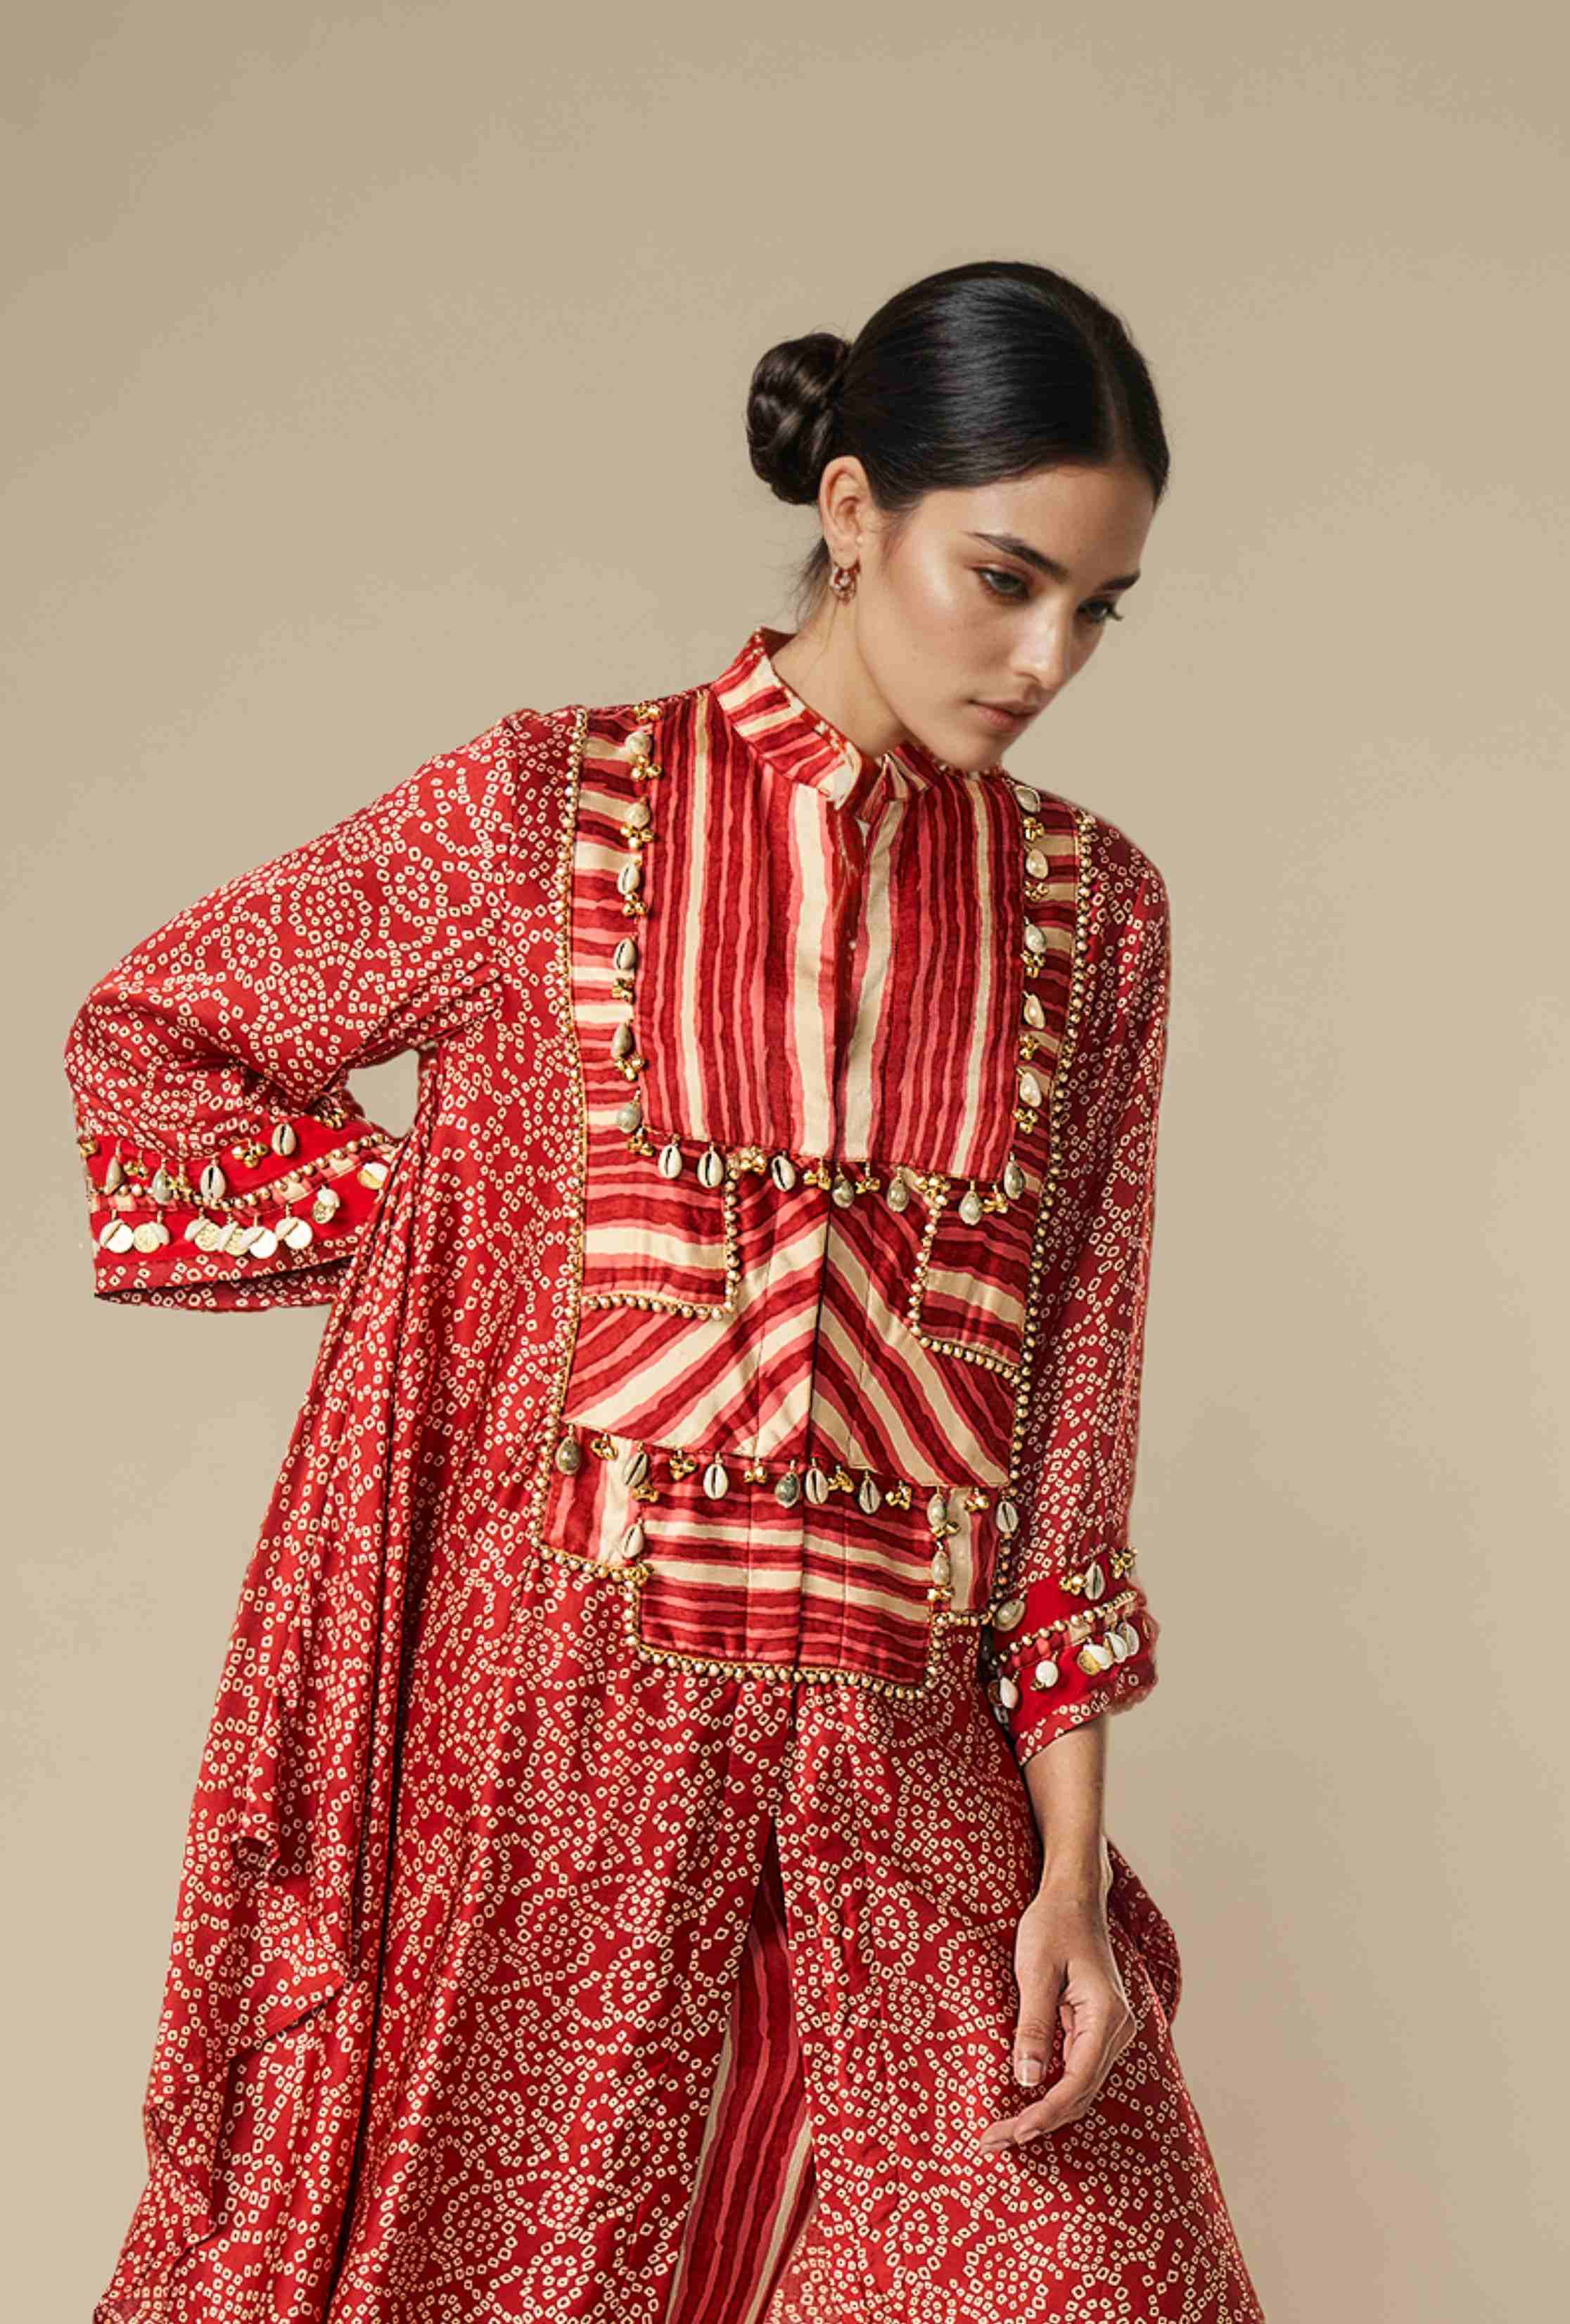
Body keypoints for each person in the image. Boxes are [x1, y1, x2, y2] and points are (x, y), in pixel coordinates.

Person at [66, 258, 1265, 2322]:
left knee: (1086, 2271)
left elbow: (1073, 1413)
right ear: (854, 510)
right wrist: (463, 1250)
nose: (1048, 658)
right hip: (550, 1762)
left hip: (897, 1774)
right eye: (1006, 580)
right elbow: (159, 1040)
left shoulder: (1097, 913)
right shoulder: (550, 811)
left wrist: (1067, 1873)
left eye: (1099, 609)